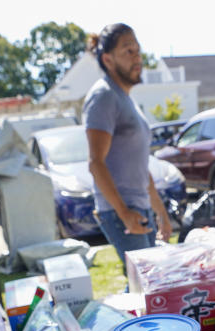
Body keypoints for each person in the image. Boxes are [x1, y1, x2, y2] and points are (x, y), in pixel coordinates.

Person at [84, 23, 171, 267]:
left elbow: (141, 168)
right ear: (108, 59)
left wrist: (161, 213)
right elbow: (96, 164)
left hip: (139, 207)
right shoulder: (104, 96)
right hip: (121, 211)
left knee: (148, 283)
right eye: (128, 51)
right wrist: (123, 214)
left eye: (138, 50)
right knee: (144, 284)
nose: (137, 58)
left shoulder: (126, 101)